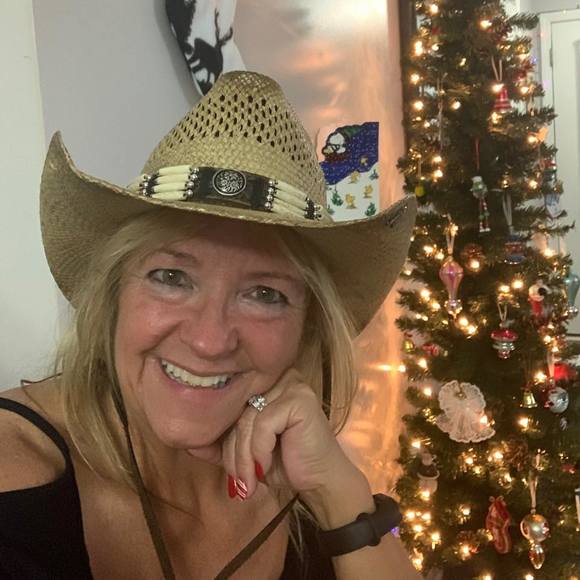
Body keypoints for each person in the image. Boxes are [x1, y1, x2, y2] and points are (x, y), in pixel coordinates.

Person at [0, 71, 418, 579]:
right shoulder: (16, 467)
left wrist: (339, 492)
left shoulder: (305, 482)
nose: (208, 339)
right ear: (112, 297)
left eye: (265, 294)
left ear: (307, 330)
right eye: (171, 277)